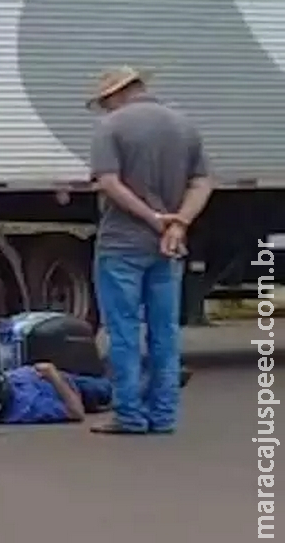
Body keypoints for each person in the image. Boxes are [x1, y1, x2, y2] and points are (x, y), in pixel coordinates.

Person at [87, 66, 213, 435]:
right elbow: (203, 180)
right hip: (169, 245)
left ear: (116, 95)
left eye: (105, 101)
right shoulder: (184, 125)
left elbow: (109, 182)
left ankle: (128, 414)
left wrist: (152, 216)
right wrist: (178, 223)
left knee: (124, 332)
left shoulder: (110, 128)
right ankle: (163, 415)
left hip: (121, 244)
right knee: (165, 331)